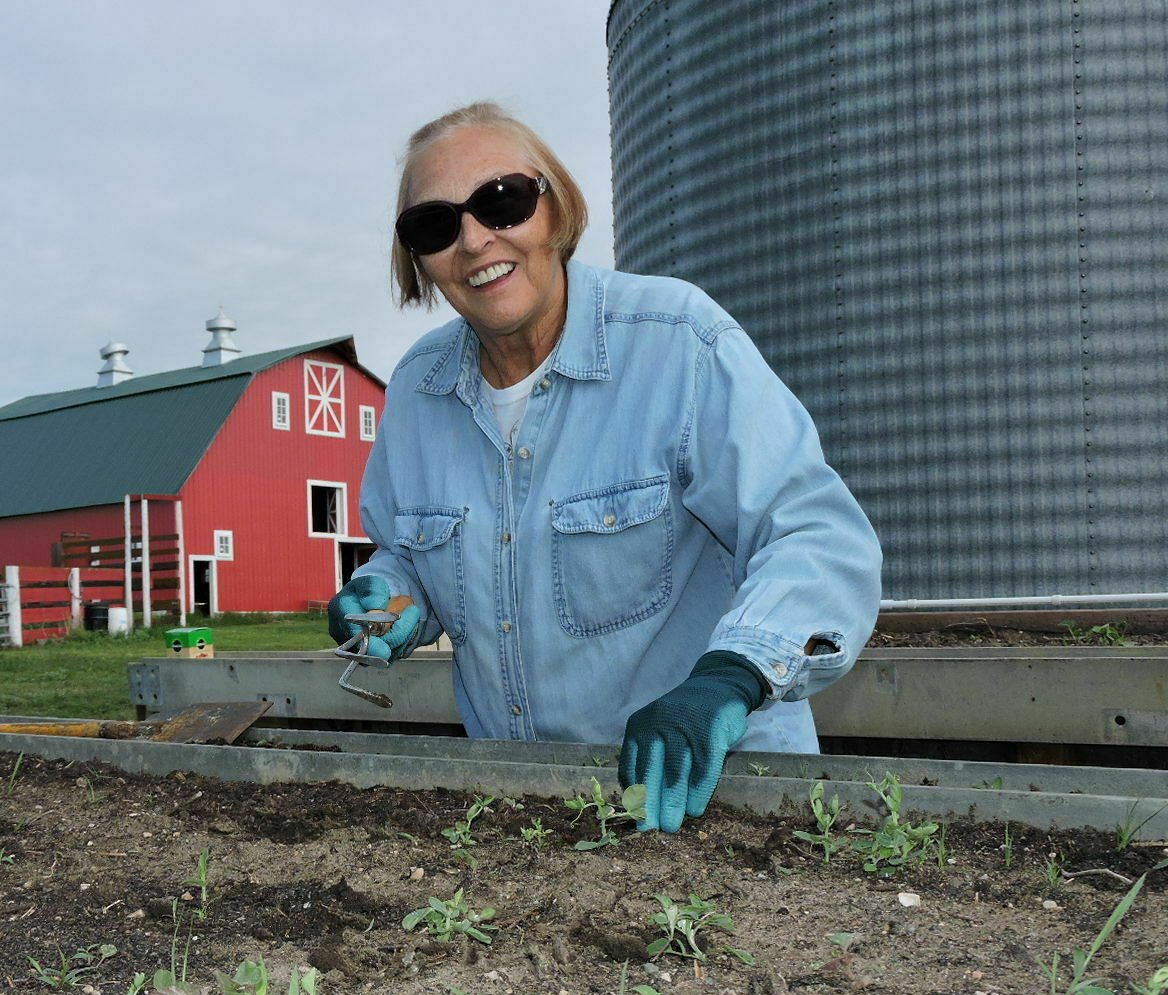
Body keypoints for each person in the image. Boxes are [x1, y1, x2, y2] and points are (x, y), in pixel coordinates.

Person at [328, 101, 882, 834]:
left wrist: (728, 677)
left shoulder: (678, 342)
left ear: (555, 208)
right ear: (419, 260)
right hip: (530, 816)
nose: (472, 240)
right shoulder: (417, 389)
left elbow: (815, 534)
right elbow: (412, 554)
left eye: (502, 202)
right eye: (434, 225)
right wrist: (387, 592)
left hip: (725, 804)